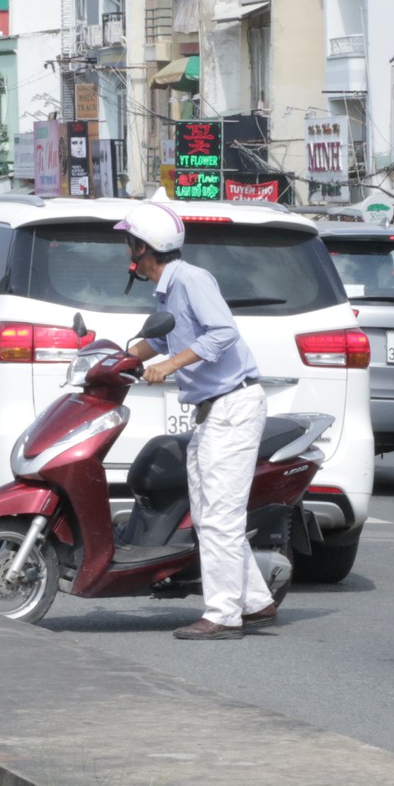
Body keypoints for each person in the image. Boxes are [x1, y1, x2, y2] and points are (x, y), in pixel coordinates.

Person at [118, 201, 278, 641]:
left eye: (129, 242)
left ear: (144, 248)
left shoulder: (192, 279)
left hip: (232, 406)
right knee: (209, 515)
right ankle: (255, 601)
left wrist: (169, 366)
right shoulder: (168, 290)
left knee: (221, 517)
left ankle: (223, 616)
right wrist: (116, 358)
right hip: (213, 411)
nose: (126, 251)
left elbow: (222, 332)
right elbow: (162, 336)